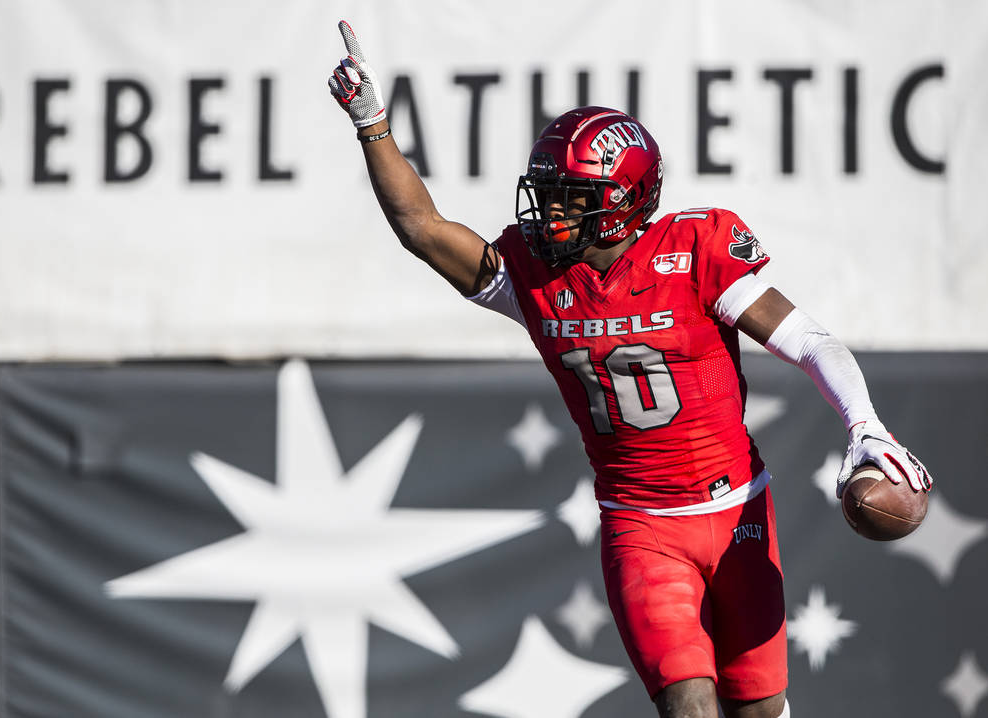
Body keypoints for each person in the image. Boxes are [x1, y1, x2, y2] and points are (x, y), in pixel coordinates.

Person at [327, 21, 933, 718]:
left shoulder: (695, 249)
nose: (550, 212)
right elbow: (423, 229)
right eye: (549, 192)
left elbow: (811, 341)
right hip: (640, 525)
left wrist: (866, 425)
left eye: (572, 197)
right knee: (689, 705)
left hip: (738, 513)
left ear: (623, 203)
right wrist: (372, 125)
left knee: (760, 711)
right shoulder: (534, 275)